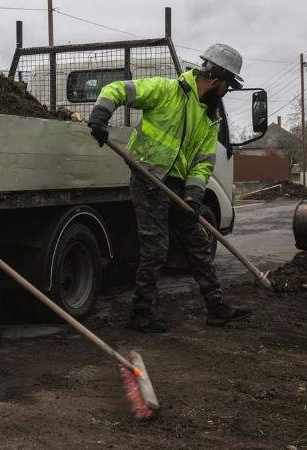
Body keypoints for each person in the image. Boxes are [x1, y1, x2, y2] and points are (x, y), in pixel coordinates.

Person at [86, 43, 253, 333]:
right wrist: (101, 115)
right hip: (148, 179)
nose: (226, 92)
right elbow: (117, 89)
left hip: (177, 185)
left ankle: (216, 309)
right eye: (227, 86)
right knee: (156, 249)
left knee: (198, 246)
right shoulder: (166, 91)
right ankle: (140, 315)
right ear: (216, 81)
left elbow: (203, 162)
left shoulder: (209, 119)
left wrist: (195, 194)